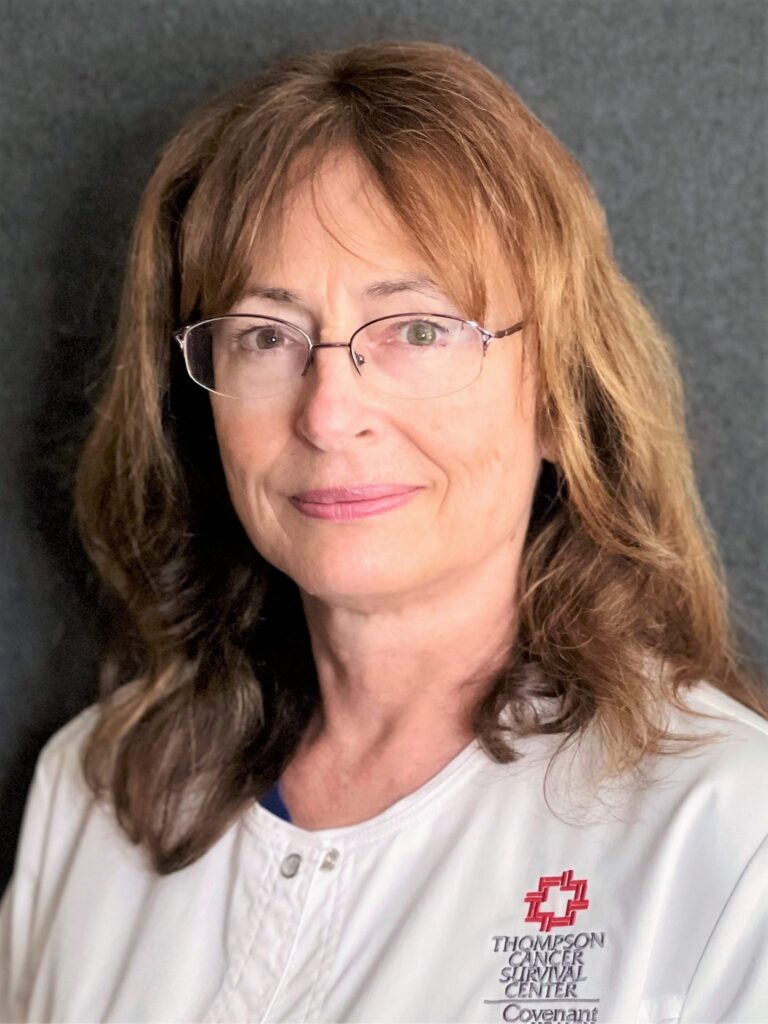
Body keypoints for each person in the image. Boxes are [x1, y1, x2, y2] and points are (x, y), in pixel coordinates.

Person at [1, 38, 767, 1024]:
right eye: (265, 336)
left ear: (558, 393)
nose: (328, 414)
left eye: (417, 328)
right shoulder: (99, 791)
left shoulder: (726, 836)